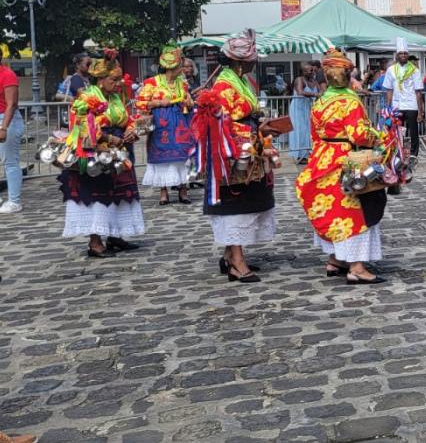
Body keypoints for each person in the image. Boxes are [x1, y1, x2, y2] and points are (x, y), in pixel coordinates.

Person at [295, 48, 389, 285]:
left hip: (322, 158)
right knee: (355, 211)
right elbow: (358, 135)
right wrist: (379, 136)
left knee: (333, 210)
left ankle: (335, 259)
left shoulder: (320, 101)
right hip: (347, 160)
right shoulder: (350, 101)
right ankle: (356, 267)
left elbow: (315, 134)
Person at [197, 30, 278, 284]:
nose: (254, 63)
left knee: (250, 199)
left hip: (250, 141)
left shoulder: (240, 81)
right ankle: (237, 262)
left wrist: (261, 127)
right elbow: (227, 122)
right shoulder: (225, 85)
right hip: (234, 148)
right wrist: (252, 136)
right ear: (241, 62)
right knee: (236, 204)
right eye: (252, 59)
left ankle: (230, 255)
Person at [60, 49, 145, 257]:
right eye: (113, 80)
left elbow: (126, 118)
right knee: (97, 195)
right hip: (96, 152)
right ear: (100, 80)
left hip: (119, 151)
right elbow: (81, 125)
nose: (118, 84)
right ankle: (95, 241)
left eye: (118, 80)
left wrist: (131, 131)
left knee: (119, 194)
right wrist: (107, 139)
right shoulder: (87, 98)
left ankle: (115, 235)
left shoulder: (116, 97)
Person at [135, 45, 196, 205]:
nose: (182, 69)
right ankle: (164, 191)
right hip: (161, 125)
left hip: (181, 123)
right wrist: (160, 102)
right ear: (171, 67)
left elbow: (189, 101)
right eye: (180, 66)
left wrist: (188, 103)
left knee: (185, 157)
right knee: (162, 158)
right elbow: (141, 103)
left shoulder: (181, 84)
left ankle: (184, 189)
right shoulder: (152, 83)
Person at [381, 38, 424, 160]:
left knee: (413, 132)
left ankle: (413, 154)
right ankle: (397, 153)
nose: (403, 55)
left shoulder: (414, 70)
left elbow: (418, 92)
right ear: (397, 55)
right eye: (401, 53)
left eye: (405, 53)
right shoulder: (391, 70)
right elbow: (389, 89)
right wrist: (388, 108)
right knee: (396, 131)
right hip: (396, 106)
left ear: (408, 55)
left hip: (411, 105)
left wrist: (420, 111)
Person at [0, 48, 24, 214]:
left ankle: (14, 200)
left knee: (10, 161)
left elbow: (11, 103)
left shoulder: (7, 74)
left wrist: (4, 127)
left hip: (6, 118)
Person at [289, 62, 320, 164]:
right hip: (298, 108)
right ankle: (300, 155)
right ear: (304, 71)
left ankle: (309, 153)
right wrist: (314, 94)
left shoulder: (314, 81)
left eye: (313, 70)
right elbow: (300, 92)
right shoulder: (299, 80)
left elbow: (321, 91)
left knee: (309, 130)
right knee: (300, 130)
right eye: (310, 70)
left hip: (309, 108)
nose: (313, 72)